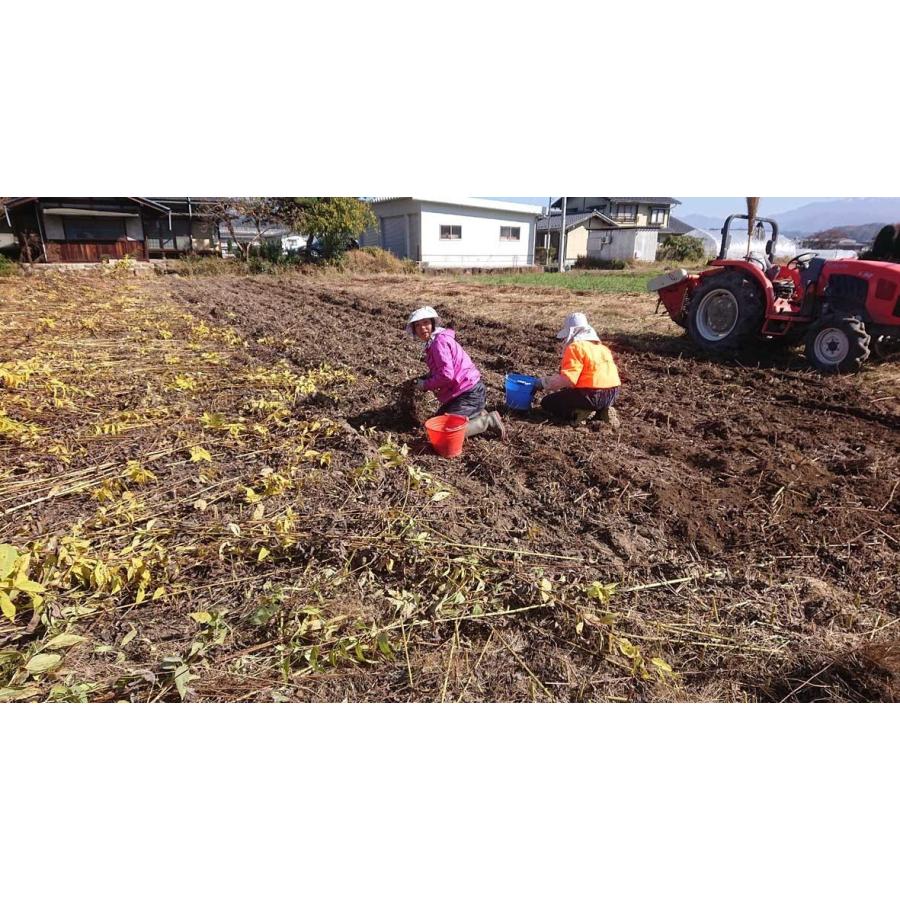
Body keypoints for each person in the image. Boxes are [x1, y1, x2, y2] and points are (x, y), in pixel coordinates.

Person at [406, 305, 506, 439]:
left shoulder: (438, 343)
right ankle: (478, 414)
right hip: (461, 394)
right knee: (435, 422)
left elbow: (447, 375)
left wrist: (425, 385)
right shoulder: (435, 341)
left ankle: (487, 421)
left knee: (442, 433)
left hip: (469, 394)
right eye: (417, 325)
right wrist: (427, 378)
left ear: (433, 324)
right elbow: (442, 369)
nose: (422, 328)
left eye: (425, 323)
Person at [534, 312, 621, 427]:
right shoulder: (602, 348)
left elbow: (568, 379)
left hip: (591, 395)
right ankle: (602, 411)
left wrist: (543, 383)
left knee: (548, 402)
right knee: (572, 396)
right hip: (613, 393)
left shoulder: (575, 347)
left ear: (571, 332)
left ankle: (579, 413)